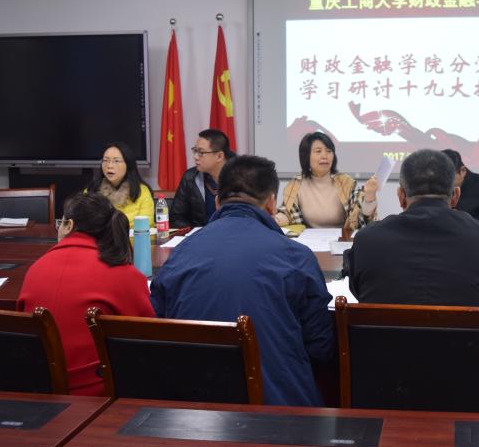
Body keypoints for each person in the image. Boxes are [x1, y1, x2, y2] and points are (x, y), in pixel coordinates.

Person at [151, 155, 335, 406]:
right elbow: (321, 348)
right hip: (280, 414)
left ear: (217, 202)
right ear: (271, 203)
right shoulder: (296, 257)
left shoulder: (180, 255)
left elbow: (159, 330)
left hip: (192, 412)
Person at [344, 149, 479, 411]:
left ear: (401, 196)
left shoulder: (368, 241)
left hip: (381, 389)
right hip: (468, 390)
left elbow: (358, 290)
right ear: (455, 196)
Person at [17, 192, 154, 395]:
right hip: (102, 392)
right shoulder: (124, 273)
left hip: (38, 389)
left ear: (69, 225)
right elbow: (148, 336)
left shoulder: (35, 269)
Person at [274, 132, 378, 229]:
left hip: (342, 239)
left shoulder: (345, 182)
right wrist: (276, 219)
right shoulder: (296, 184)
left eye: (329, 151)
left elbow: (362, 214)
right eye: (318, 151)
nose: (325, 156)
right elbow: (288, 213)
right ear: (306, 156)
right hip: (308, 240)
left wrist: (370, 195)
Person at [169, 128, 234, 228]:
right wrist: (198, 232)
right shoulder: (190, 178)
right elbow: (176, 218)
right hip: (200, 235)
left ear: (219, 156)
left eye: (201, 152)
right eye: (195, 151)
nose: (195, 156)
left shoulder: (242, 178)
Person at [87, 141, 154, 227]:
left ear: (128, 164)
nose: (109, 166)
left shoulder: (142, 191)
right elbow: (85, 223)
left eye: (116, 161)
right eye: (106, 160)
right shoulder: (92, 189)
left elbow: (146, 224)